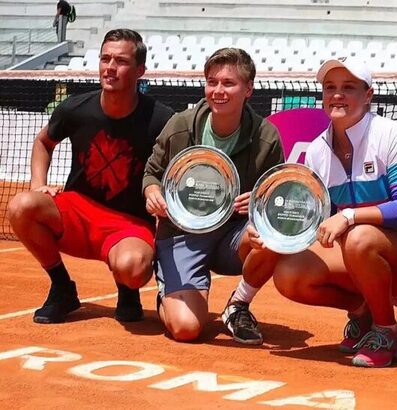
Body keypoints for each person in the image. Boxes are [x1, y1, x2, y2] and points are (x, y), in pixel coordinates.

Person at [265, 57, 397, 368]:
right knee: (289, 273)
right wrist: (272, 226)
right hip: (360, 250)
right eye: (330, 87)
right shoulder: (317, 150)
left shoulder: (391, 134)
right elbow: (316, 216)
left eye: (348, 88)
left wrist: (349, 216)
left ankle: (386, 330)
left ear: (368, 95)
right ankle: (364, 309)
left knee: (358, 238)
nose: (337, 95)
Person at [7, 29, 175, 325]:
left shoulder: (162, 120)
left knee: (134, 268)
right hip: (77, 211)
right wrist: (38, 185)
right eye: (105, 58)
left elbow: (178, 172)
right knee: (21, 206)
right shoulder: (75, 108)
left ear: (139, 71)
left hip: (130, 224)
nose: (110, 67)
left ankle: (127, 290)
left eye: (120, 61)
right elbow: (43, 143)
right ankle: (62, 288)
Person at [143, 47, 284, 344]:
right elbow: (152, 173)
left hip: (233, 235)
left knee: (273, 236)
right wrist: (153, 192)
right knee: (186, 328)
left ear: (248, 89)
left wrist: (258, 201)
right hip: (181, 233)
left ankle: (238, 306)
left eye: (228, 83)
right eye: (212, 82)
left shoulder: (267, 137)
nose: (218, 91)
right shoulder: (180, 125)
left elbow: (276, 193)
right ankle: (168, 290)